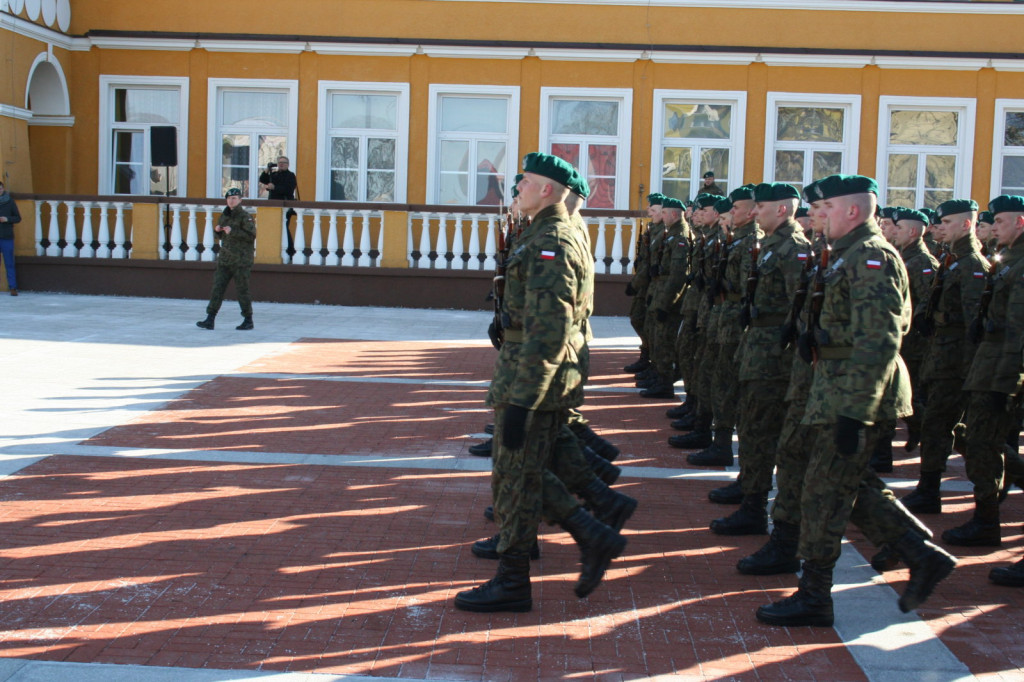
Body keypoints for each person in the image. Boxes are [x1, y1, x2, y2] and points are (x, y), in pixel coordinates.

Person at [756, 174, 955, 627]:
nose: (815, 217)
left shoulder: (870, 257)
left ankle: (815, 595)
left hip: (854, 391)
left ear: (851, 211)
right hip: (831, 385)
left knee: (826, 490)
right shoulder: (842, 254)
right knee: (839, 481)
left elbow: (880, 339)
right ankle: (919, 552)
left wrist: (855, 410)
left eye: (823, 209)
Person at [454, 153, 625, 613]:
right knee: (521, 473)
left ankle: (521, 576)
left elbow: (549, 332)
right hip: (527, 373)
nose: (518, 188)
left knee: (517, 476)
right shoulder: (542, 235)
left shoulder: (553, 241)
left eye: (525, 182)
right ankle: (594, 523)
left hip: (533, 381)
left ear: (546, 189)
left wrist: (522, 403)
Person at [710, 182, 809, 535]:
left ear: (781, 209)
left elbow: (803, 309)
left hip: (774, 358)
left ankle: (756, 507)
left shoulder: (794, 248)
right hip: (757, 348)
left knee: (763, 431)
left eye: (761, 207)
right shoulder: (771, 245)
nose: (753, 213)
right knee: (751, 426)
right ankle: (749, 490)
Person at [941, 194, 1024, 548]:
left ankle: (987, 521)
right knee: (980, 441)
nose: (993, 227)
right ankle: (986, 518)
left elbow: (1018, 329)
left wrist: (1007, 380)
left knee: (983, 442)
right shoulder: (1009, 261)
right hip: (990, 365)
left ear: (1020, 222)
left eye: (1000, 221)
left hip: (1002, 372)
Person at [196, 188, 257, 331]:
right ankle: (210, 318)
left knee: (242, 290)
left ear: (240, 200)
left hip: (241, 260)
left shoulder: (244, 216)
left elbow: (251, 236)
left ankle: (248, 319)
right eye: (229, 198)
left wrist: (233, 231)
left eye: (235, 198)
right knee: (217, 288)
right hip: (225, 259)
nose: (231, 200)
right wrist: (217, 232)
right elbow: (223, 237)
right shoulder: (224, 216)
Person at [259, 156, 299, 256]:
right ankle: (275, 250)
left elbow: (289, 189)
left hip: (285, 206)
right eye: (279, 162)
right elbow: (263, 179)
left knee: (284, 228)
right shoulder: (275, 174)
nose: (281, 164)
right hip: (272, 206)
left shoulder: (290, 175)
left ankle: (290, 251)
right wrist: (268, 169)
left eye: (284, 162)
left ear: (288, 164)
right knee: (273, 228)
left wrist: (274, 187)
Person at [0, 181, 21, 296]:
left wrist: (7, 219)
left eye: (0, 189)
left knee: (9, 263)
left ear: (3, 189)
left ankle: (13, 287)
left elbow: (18, 218)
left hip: (7, 236)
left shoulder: (10, 202)